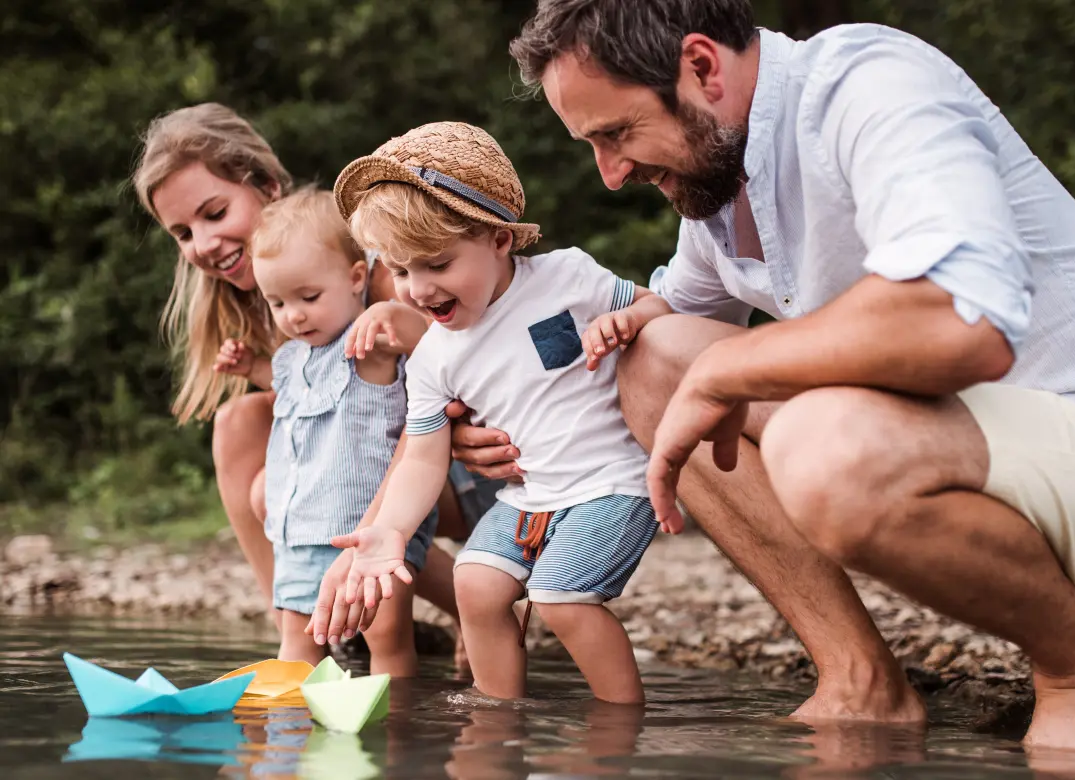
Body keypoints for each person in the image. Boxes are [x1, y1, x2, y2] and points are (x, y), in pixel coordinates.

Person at [454, 0, 1075, 752]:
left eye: (618, 133)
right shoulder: (720, 188)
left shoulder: (868, 83)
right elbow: (662, 338)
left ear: (700, 66)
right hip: (968, 446)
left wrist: (732, 366)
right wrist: (498, 420)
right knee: (653, 360)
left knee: (824, 447)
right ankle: (861, 680)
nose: (612, 173)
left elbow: (961, 322)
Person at [131, 103, 502, 661]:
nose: (203, 242)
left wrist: (375, 535)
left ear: (267, 186)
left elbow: (435, 398)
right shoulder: (272, 301)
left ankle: (452, 607)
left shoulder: (377, 272)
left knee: (327, 506)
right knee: (242, 424)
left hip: (464, 462)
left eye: (214, 212)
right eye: (183, 232)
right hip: (382, 473)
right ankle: (302, 621)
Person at [325, 122, 673, 704]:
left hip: (611, 480)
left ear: (500, 240)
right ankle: (497, 717)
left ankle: (620, 724)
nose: (416, 288)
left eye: (436, 264)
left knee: (563, 598)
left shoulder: (567, 277)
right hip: (530, 495)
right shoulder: (433, 356)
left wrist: (632, 321)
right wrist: (390, 529)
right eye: (402, 269)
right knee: (475, 584)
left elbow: (658, 306)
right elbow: (423, 459)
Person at [212, 186, 437, 671]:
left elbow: (430, 346)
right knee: (298, 640)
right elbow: (292, 390)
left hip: (365, 530)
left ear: (357, 279)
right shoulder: (292, 356)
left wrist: (392, 313)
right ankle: (288, 736)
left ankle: (398, 730)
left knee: (388, 641)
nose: (293, 315)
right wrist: (252, 366)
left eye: (308, 297)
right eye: (276, 303)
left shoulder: (369, 344)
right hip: (298, 531)